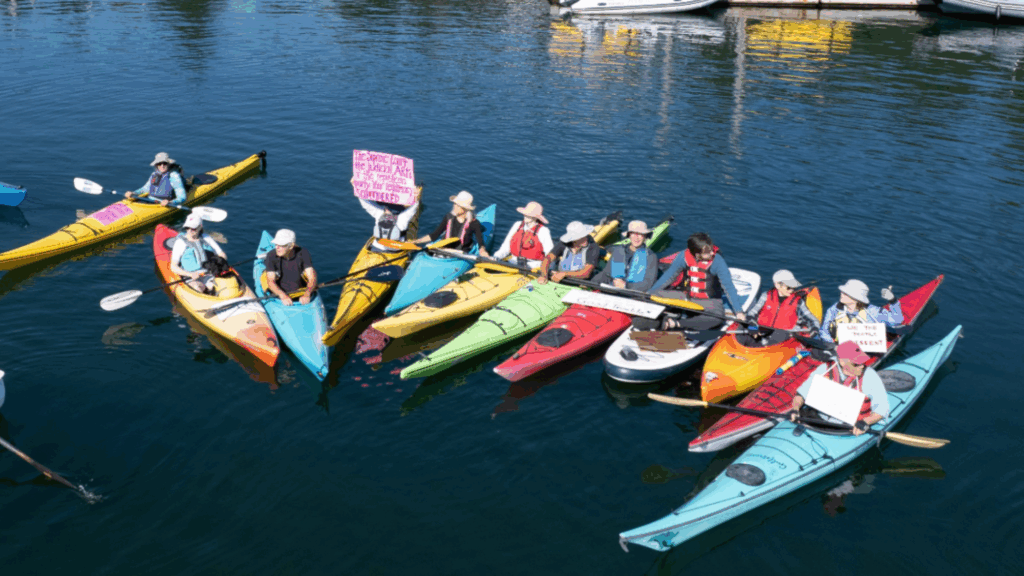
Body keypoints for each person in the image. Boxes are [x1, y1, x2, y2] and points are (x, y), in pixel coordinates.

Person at [646, 232, 747, 330]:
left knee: (717, 318)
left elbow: (728, 286)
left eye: (712, 249)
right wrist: (649, 294)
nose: (712, 253)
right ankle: (658, 317)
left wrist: (739, 311)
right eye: (708, 252)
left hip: (710, 301)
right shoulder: (683, 256)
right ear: (697, 254)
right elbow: (669, 277)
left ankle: (676, 323)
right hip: (687, 297)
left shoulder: (717, 260)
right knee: (653, 295)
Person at [789, 340, 890, 436]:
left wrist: (865, 422)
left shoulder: (870, 376)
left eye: (862, 361)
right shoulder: (824, 369)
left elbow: (882, 408)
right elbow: (801, 394)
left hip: (848, 426)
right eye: (856, 363)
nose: (861, 366)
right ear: (842, 362)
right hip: (818, 418)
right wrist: (795, 408)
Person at [738, 269, 821, 347]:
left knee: (780, 334)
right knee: (742, 329)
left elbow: (812, 320)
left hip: (784, 340)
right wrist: (752, 327)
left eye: (793, 287)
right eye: (788, 287)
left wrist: (814, 330)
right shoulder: (766, 296)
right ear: (777, 285)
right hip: (762, 334)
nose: (791, 290)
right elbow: (752, 313)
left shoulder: (798, 302)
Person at [819, 279, 903, 343]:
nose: (841, 294)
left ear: (856, 299)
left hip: (862, 350)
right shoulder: (834, 309)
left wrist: (893, 300)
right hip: (836, 346)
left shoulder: (873, 312)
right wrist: (832, 346)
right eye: (842, 292)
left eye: (845, 293)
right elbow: (824, 331)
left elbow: (897, 320)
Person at [415, 191, 489, 257]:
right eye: (454, 203)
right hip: (443, 250)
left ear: (465, 209)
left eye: (457, 205)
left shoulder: (474, 223)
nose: (454, 206)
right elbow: (434, 235)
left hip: (461, 254)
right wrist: (416, 241)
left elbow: (481, 245)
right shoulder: (448, 217)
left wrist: (483, 252)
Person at [592, 220, 659, 292]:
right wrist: (591, 284)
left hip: (632, 295)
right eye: (633, 233)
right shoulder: (618, 251)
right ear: (629, 235)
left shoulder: (651, 257)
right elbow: (606, 274)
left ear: (645, 236)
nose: (636, 237)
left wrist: (625, 286)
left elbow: (648, 284)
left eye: (640, 234)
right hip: (612, 290)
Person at [169, 213, 228, 294]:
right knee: (197, 287)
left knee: (219, 287)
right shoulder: (180, 243)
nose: (190, 230)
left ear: (200, 227)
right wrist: (190, 274)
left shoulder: (206, 238)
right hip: (190, 277)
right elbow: (173, 267)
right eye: (187, 227)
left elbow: (222, 254)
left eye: (193, 228)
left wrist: (217, 264)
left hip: (209, 274)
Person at [536, 221, 601, 285]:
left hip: (580, 284)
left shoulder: (593, 248)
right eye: (581, 237)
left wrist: (564, 274)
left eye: (585, 235)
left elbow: (585, 273)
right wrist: (544, 275)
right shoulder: (563, 244)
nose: (585, 239)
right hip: (561, 280)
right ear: (573, 240)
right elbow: (547, 259)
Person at [493, 201, 554, 269]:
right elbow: (505, 247)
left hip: (533, 266)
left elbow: (550, 254)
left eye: (529, 215)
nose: (526, 216)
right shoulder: (517, 225)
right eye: (525, 214)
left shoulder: (543, 231)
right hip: (513, 263)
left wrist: (546, 270)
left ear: (536, 217)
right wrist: (496, 257)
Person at [264, 229, 317, 306]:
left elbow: (312, 277)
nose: (277, 248)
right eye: (276, 244)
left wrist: (307, 294)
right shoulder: (271, 256)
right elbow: (270, 281)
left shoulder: (303, 253)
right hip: (280, 295)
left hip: (300, 292)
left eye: (281, 245)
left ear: (291, 246)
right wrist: (283, 296)